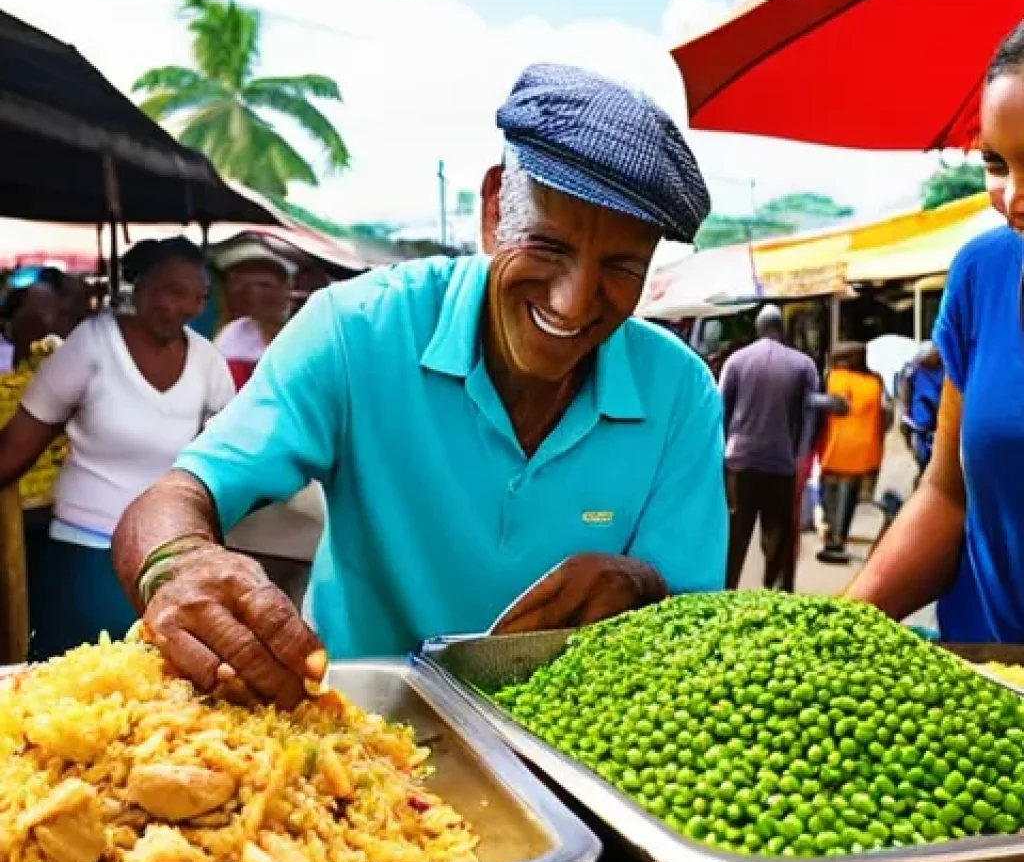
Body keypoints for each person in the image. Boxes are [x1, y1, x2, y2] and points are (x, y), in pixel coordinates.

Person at [111, 62, 728, 708]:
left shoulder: (681, 393)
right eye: (548, 246)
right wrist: (181, 564)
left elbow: (693, 617)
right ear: (494, 209)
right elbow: (179, 495)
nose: (572, 303)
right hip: (354, 735)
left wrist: (639, 584)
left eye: (620, 267)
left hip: (564, 741)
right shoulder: (356, 330)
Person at [848, 19, 1024, 639]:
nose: (1013, 198)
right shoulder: (982, 273)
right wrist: (837, 630)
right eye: (997, 163)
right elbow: (948, 494)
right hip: (983, 674)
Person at [0, 237, 234, 660]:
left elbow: (228, 456)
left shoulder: (207, 362)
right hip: (85, 556)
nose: (184, 306)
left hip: (163, 558)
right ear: (138, 286)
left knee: (159, 682)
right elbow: (17, 447)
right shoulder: (91, 345)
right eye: (171, 291)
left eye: (197, 296)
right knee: (75, 677)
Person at [718, 304, 818, 591]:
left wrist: (721, 455)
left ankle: (726, 590)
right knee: (777, 534)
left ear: (758, 328)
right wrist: (801, 457)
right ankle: (773, 590)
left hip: (740, 462)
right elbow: (810, 416)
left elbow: (721, 411)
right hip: (781, 464)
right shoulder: (803, 365)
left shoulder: (736, 361)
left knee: (735, 533)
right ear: (781, 329)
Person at [816, 342, 887, 565]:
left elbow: (834, 407)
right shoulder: (875, 381)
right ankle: (838, 538)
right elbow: (884, 416)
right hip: (863, 447)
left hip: (836, 443)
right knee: (847, 495)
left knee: (832, 492)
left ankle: (833, 538)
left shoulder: (836, 377)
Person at [213, 242, 295, 389]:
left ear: (285, 290)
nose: (255, 294)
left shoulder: (303, 332)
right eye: (246, 287)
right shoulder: (234, 337)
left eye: (265, 286)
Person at [898, 340, 943, 479]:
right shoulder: (913, 371)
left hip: (940, 422)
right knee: (924, 461)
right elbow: (905, 392)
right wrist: (905, 413)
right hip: (921, 423)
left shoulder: (946, 370)